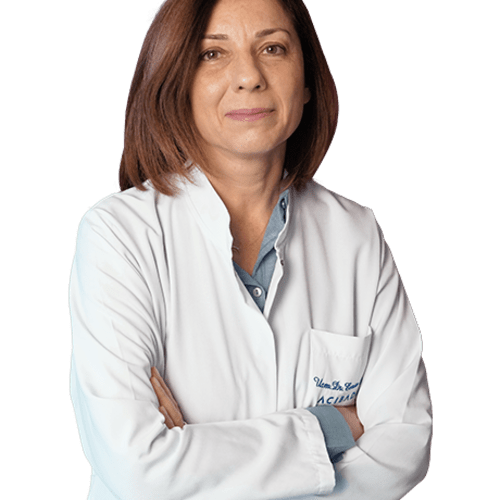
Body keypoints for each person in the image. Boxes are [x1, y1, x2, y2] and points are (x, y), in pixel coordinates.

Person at [68, 0, 432, 498]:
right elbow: (136, 466)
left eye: (273, 48)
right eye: (212, 54)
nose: (249, 77)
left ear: (307, 80)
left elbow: (404, 445)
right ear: (176, 84)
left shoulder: (356, 234)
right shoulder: (119, 234)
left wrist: (194, 458)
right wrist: (331, 426)